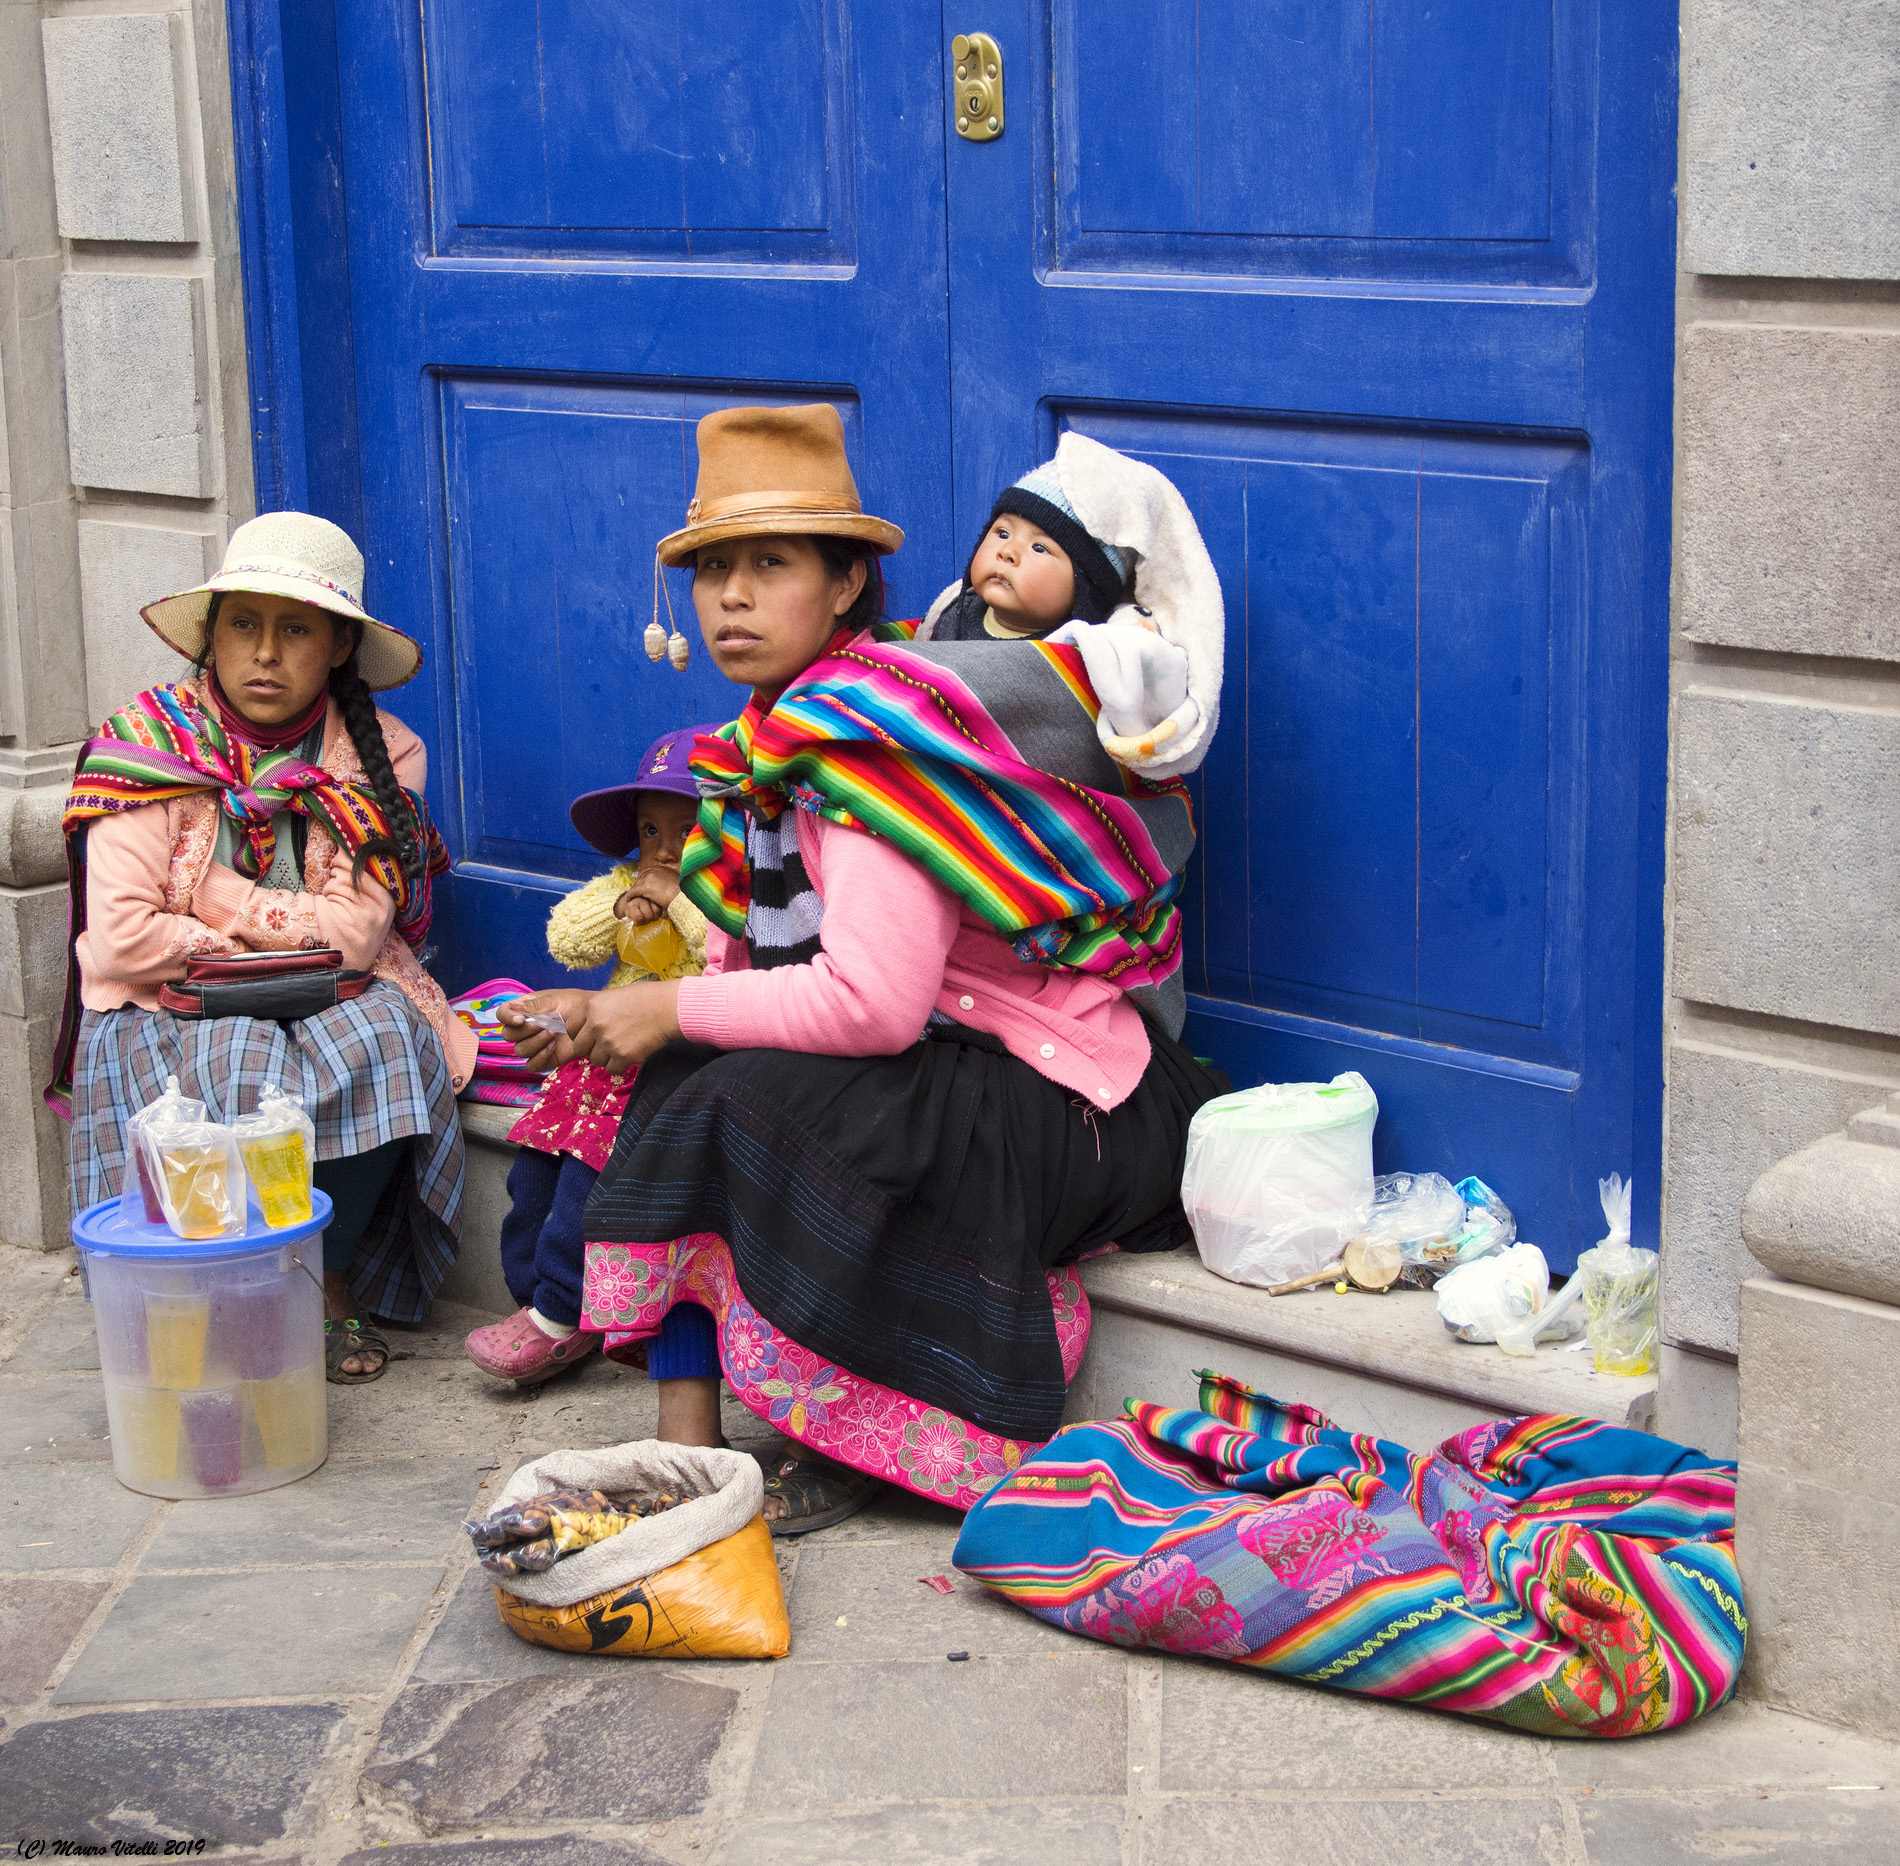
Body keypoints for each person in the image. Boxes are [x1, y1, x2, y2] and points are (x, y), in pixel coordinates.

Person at [503, 403, 1226, 1533]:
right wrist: (626, 1014)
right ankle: (683, 1452)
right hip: (940, 1058)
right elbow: (758, 969)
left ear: (844, 586)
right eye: (711, 572)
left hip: (1060, 1095)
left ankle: (898, 1416)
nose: (732, 598)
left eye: (771, 566)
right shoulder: (772, 740)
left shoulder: (878, 739)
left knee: (739, 1097)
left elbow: (874, 1005)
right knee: (683, 1077)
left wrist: (667, 1006)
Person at [55, 512, 477, 1383]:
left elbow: (361, 936)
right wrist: (263, 920)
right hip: (166, 1005)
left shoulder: (380, 752)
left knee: (393, 1046)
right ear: (212, 638)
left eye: (296, 630)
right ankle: (227, 1291)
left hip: (335, 994)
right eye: (243, 625)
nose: (266, 654)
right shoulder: (146, 745)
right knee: (240, 1057)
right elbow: (125, 937)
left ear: (337, 650)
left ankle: (318, 1278)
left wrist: (211, 894)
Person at [465, 727, 713, 1385]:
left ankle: (561, 1309)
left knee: (584, 1187)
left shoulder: (726, 893)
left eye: (684, 832)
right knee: (534, 1174)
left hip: (665, 1067)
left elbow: (723, 951)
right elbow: (569, 942)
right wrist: (619, 904)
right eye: (650, 831)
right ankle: (531, 1303)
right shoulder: (629, 880)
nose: (663, 849)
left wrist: (681, 901)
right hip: (597, 1064)